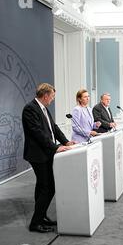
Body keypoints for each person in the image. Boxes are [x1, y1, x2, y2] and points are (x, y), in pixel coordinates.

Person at [22, 83, 75, 233]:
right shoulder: (30, 109)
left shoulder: (43, 108)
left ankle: (41, 216)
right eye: (52, 96)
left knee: (42, 186)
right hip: (37, 154)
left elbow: (54, 128)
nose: (52, 99)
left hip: (46, 153)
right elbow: (38, 133)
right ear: (45, 96)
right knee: (48, 187)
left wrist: (65, 141)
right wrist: (55, 147)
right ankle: (35, 223)